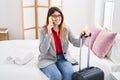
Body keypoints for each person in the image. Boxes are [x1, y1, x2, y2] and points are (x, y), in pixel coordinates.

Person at [38, 7, 90, 80]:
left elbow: (77, 43)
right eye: (54, 16)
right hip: (48, 59)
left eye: (59, 15)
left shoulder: (66, 28)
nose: (57, 18)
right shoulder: (43, 30)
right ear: (49, 17)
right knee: (57, 76)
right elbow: (42, 51)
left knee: (69, 74)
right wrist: (49, 33)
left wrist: (83, 36)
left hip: (63, 58)